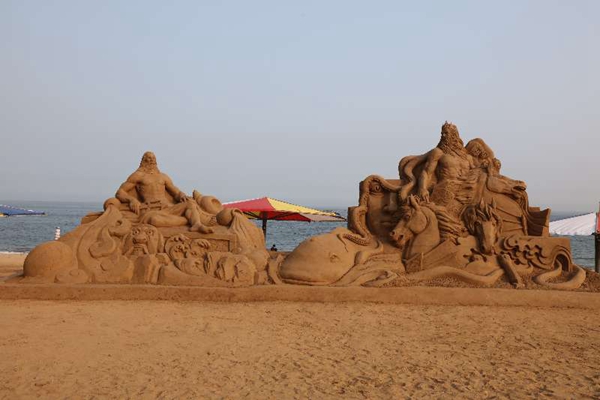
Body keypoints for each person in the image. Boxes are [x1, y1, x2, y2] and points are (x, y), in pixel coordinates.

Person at [115, 151, 213, 233]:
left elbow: (176, 192)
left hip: (168, 208)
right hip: (152, 210)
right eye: (149, 158)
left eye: (153, 158)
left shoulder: (163, 177)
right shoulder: (138, 175)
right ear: (144, 160)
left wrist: (181, 195)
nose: (151, 160)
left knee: (190, 203)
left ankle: (196, 224)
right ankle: (187, 220)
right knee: (154, 220)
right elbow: (120, 192)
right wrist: (131, 199)